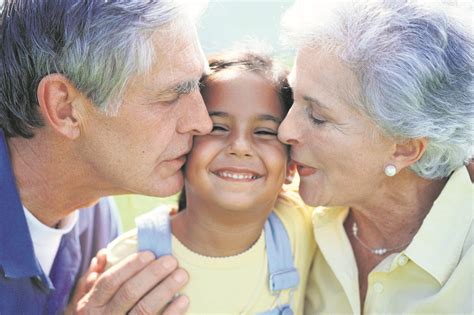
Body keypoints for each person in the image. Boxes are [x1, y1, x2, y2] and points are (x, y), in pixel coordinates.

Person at [0, 0, 212, 314]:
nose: (203, 122)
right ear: (65, 108)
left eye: (198, 87)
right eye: (170, 96)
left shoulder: (92, 214)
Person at [278, 0, 473, 313]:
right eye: (292, 97)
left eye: (316, 116)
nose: (285, 130)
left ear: (405, 148)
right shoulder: (289, 222)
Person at [105, 50, 316, 314]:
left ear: (291, 166)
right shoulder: (131, 262)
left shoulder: (301, 223)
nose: (240, 147)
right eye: (217, 127)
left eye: (264, 132)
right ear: (182, 147)